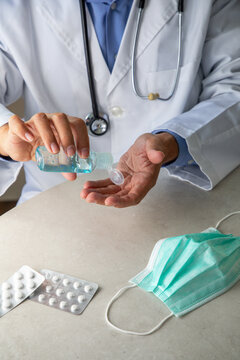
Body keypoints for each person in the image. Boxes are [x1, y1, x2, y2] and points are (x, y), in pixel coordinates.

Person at [0, 0, 239, 208]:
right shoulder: (13, 7)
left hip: (177, 203)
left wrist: (172, 142)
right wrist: (4, 136)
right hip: (49, 206)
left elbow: (234, 88)